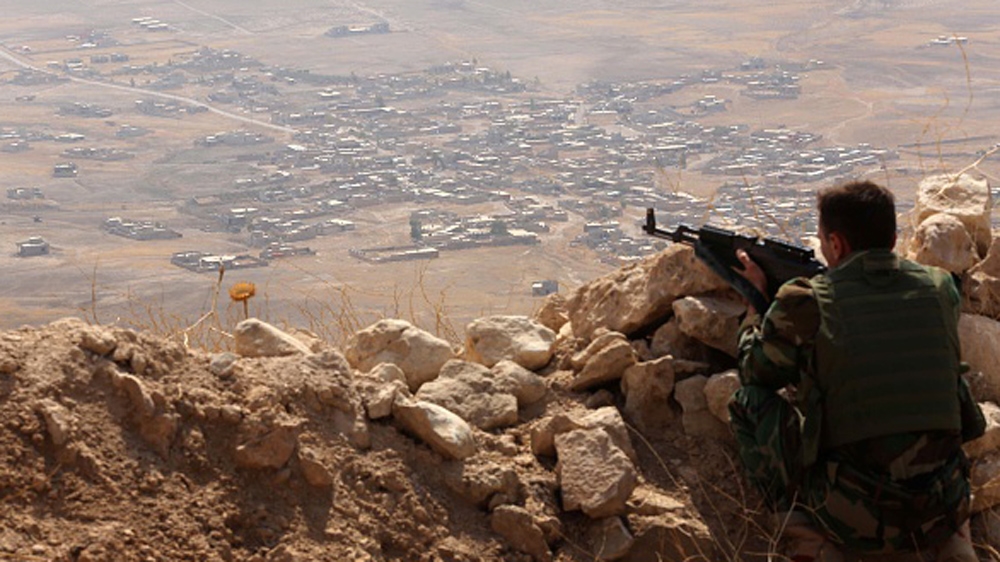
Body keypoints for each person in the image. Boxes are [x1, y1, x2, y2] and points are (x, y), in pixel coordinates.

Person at [728, 180, 983, 562]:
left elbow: (756, 372)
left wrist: (755, 311)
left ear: (836, 244)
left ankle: (807, 537)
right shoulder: (940, 288)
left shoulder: (807, 299)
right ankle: (955, 543)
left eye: (822, 240)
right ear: (893, 239)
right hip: (941, 507)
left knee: (747, 403)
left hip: (855, 521)